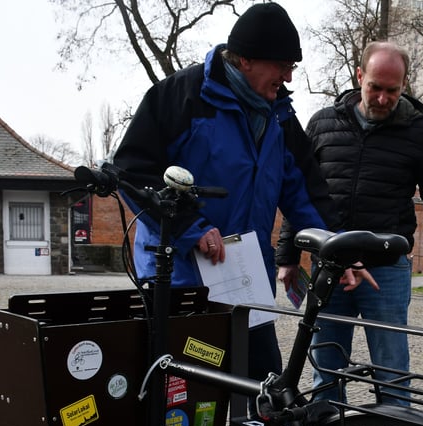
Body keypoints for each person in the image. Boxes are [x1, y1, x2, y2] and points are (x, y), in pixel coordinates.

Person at [276, 41, 423, 426]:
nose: (382, 99)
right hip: (330, 267)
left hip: (387, 271)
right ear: (359, 76)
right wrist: (286, 255)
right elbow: (298, 191)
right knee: (325, 375)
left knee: (393, 376)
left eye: (392, 91)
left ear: (403, 85)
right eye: (375, 87)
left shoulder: (418, 133)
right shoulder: (323, 123)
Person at [113, 2, 341, 390]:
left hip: (246, 283)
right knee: (186, 392)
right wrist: (191, 229)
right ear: (247, 60)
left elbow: (304, 189)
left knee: (267, 390)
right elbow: (132, 170)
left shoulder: (280, 115)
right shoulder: (182, 96)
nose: (288, 77)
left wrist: (336, 248)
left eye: (293, 68)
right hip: (182, 282)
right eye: (282, 65)